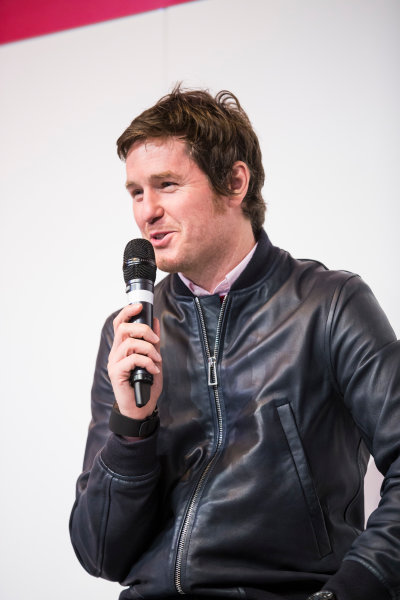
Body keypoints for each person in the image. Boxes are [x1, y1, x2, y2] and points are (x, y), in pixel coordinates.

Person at [70, 86, 400, 600]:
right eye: (136, 192)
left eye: (167, 185)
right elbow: (100, 554)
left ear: (234, 181)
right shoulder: (131, 331)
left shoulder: (330, 304)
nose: (147, 211)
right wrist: (132, 429)